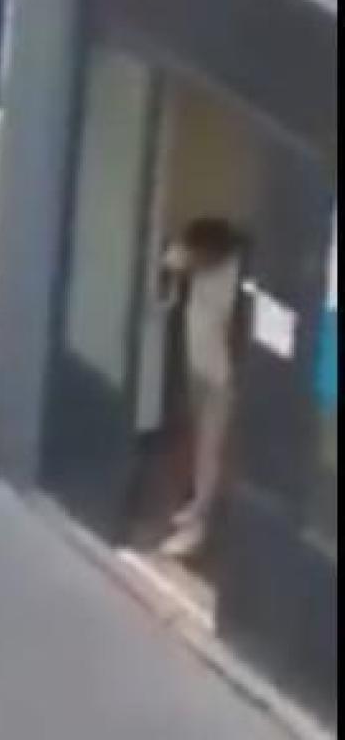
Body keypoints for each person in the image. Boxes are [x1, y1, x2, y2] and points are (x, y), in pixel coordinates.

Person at [159, 217, 248, 558]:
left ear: (213, 251)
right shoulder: (197, 266)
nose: (193, 259)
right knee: (198, 445)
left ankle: (200, 523)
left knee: (211, 451)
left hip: (221, 377)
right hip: (198, 368)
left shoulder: (234, 276)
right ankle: (196, 507)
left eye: (199, 253)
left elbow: (240, 327)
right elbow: (171, 260)